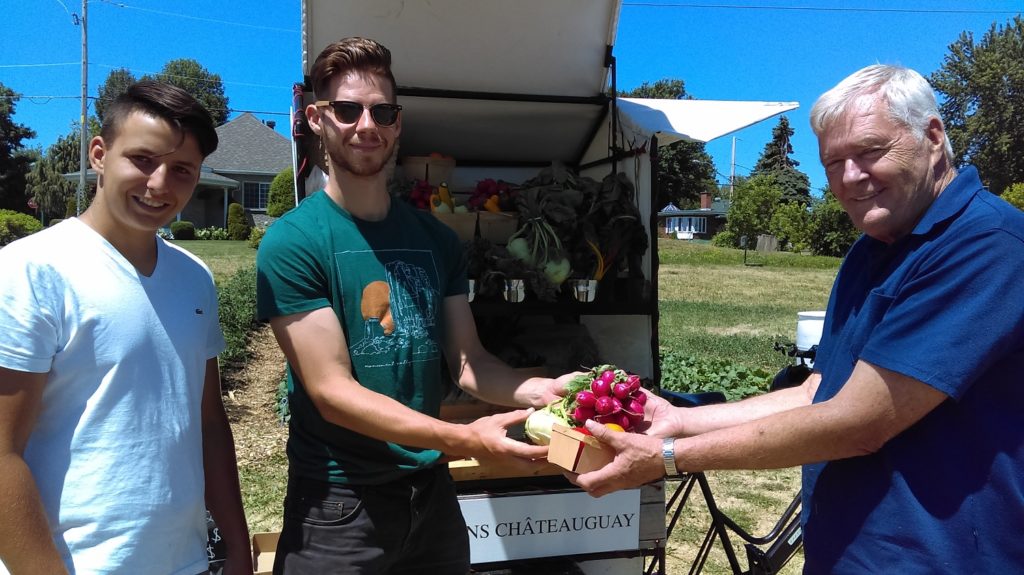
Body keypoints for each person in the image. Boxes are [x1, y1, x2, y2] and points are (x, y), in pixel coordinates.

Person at [570, 64, 1024, 573]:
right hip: (849, 554)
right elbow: (818, 393)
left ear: (933, 137)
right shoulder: (872, 248)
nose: (851, 177)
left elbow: (859, 423)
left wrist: (670, 456)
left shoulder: (986, 245)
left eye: (870, 151)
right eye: (834, 162)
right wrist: (679, 420)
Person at [255, 37, 576, 574]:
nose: (366, 125)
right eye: (347, 109)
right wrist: (463, 438)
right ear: (316, 119)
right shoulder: (295, 242)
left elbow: (469, 362)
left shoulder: (437, 240)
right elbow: (333, 393)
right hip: (340, 505)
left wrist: (539, 389)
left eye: (383, 111)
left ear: (398, 123)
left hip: (431, 498)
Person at [0, 81, 252, 575]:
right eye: (142, 159)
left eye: (182, 170)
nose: (160, 183)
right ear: (99, 153)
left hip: (186, 561)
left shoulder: (193, 278)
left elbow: (209, 425)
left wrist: (238, 549)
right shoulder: (31, 271)